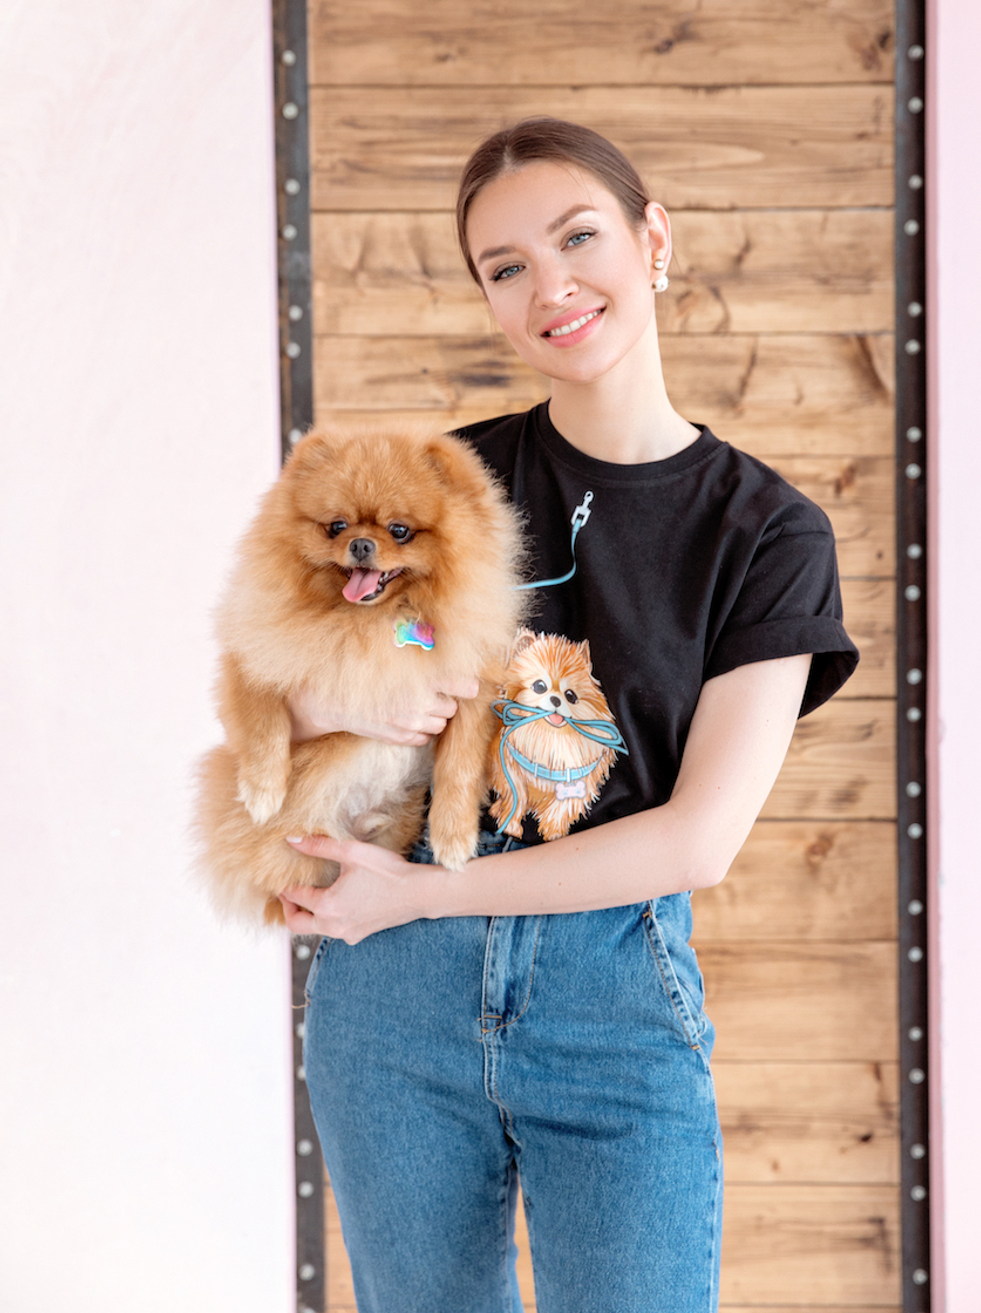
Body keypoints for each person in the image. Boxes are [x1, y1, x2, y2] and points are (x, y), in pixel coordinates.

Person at [278, 118, 858, 1313]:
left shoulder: (766, 534)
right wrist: (324, 697)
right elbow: (308, 680)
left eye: (576, 236)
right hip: (393, 1001)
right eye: (505, 266)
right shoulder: (436, 486)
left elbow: (698, 839)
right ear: (490, 300)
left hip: (612, 998)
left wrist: (428, 889)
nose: (550, 285)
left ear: (652, 241)